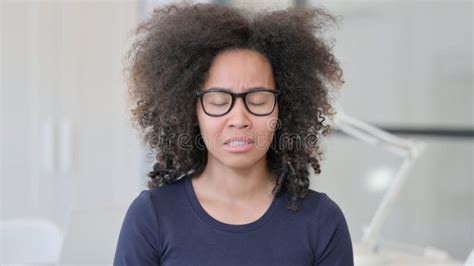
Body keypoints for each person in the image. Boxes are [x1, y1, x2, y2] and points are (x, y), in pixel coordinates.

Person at [114, 3, 353, 266]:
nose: (239, 120)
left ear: (283, 111)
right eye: (218, 102)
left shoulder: (321, 221)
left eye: (259, 101)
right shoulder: (152, 217)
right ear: (190, 112)